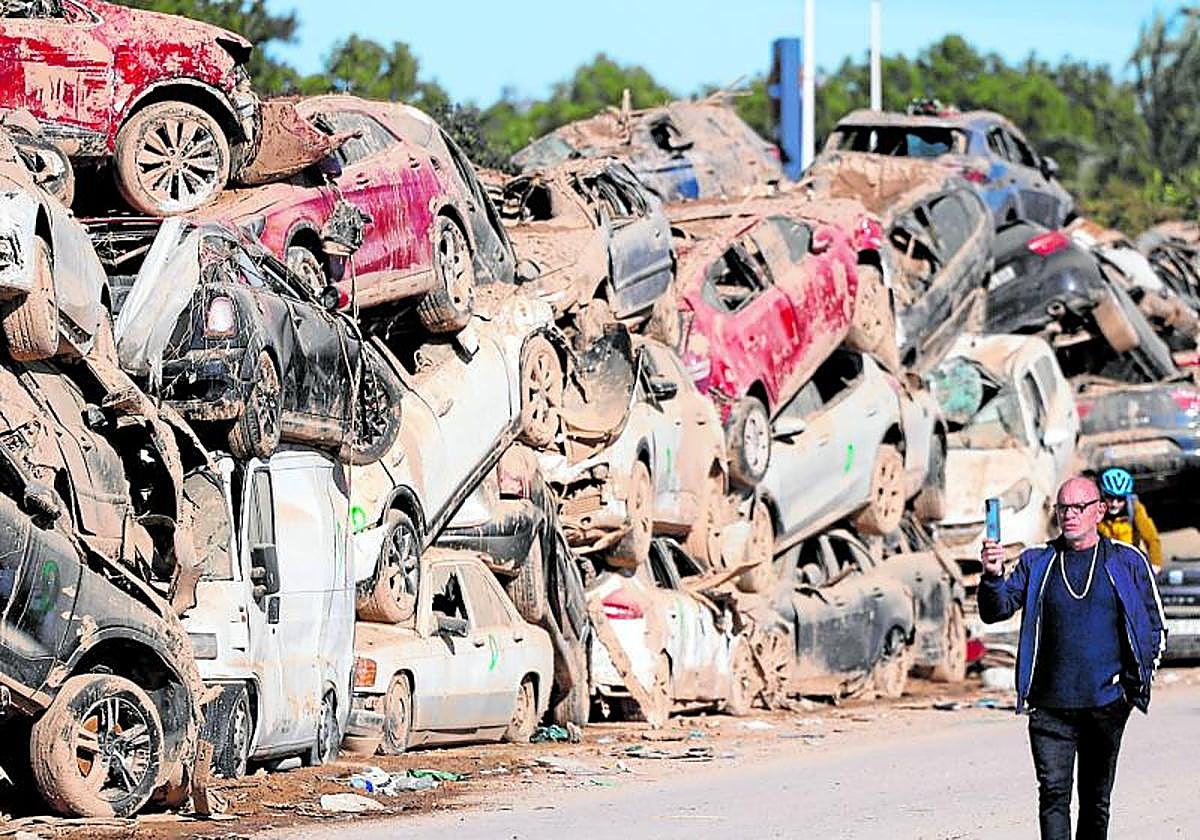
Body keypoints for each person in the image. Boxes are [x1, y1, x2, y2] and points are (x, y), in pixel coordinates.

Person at [978, 476, 1165, 840]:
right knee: (1053, 796)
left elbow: (1154, 624)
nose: (1070, 515)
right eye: (1063, 507)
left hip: (1106, 706)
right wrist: (992, 575)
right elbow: (995, 610)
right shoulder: (1037, 562)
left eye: (1079, 507)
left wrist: (1132, 689)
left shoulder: (1126, 561)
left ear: (1099, 511)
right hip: (1049, 709)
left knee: (1095, 801)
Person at [1095, 467, 1163, 571]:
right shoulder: (1095, 508)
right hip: (1102, 564)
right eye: (1110, 497)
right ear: (1102, 494)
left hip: (1128, 564)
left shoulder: (1134, 508)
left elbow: (1151, 538)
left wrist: (1155, 564)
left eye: (1120, 499)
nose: (1114, 504)